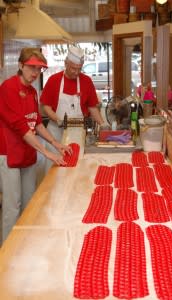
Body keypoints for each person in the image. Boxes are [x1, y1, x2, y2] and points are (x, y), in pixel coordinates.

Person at [0, 47, 72, 242]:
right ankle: (6, 252)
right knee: (12, 207)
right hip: (9, 154)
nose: (35, 73)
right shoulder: (8, 88)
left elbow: (37, 123)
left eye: (39, 69)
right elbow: (21, 127)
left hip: (27, 153)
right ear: (21, 65)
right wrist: (46, 152)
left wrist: (56, 144)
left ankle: (24, 244)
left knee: (29, 204)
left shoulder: (32, 92)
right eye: (31, 68)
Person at [40, 45, 106, 171]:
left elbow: (92, 107)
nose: (76, 72)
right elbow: (45, 107)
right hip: (56, 135)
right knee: (53, 173)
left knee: (76, 170)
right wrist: (58, 120)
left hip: (77, 134)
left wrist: (103, 125)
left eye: (79, 69)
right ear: (65, 63)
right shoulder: (54, 80)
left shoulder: (86, 81)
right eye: (72, 68)